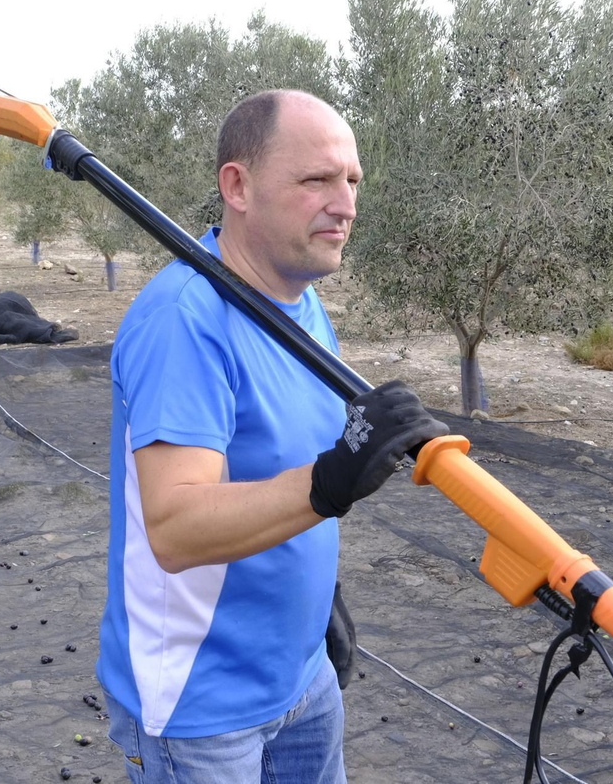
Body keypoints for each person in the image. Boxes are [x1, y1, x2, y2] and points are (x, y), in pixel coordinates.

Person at [96, 89, 449, 783]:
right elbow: (176, 524)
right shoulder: (184, 321)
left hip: (301, 674)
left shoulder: (300, 302)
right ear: (239, 185)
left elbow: (279, 459)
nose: (344, 203)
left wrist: (320, 601)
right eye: (317, 179)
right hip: (203, 705)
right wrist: (328, 484)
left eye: (351, 181)